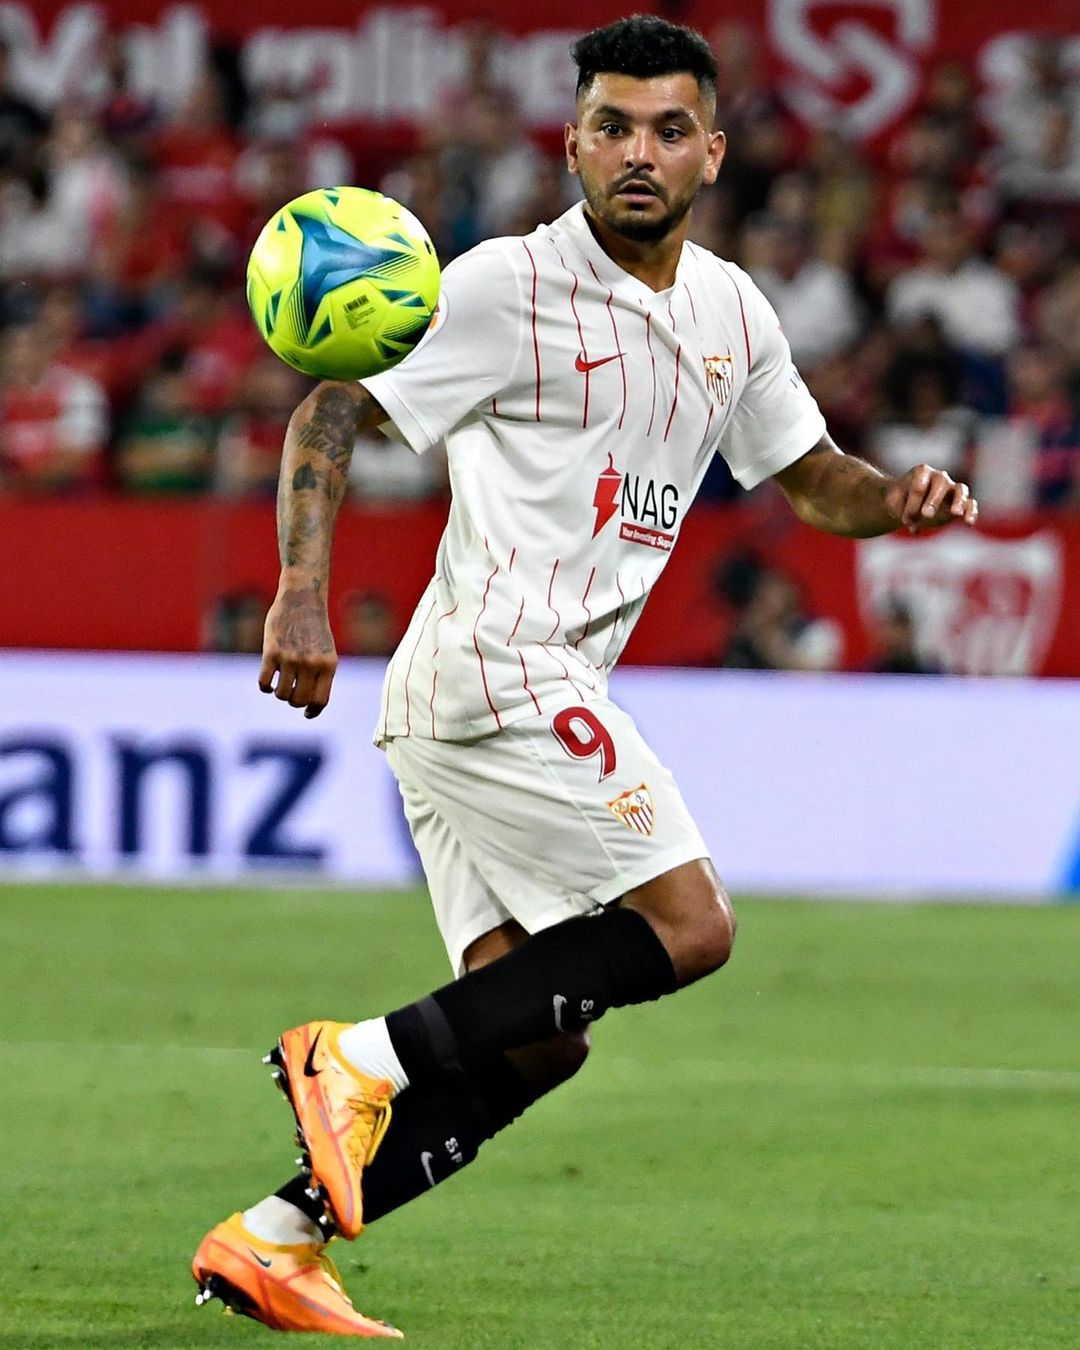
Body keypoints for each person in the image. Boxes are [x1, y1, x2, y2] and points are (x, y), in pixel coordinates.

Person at [192, 17, 978, 1337]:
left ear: (712, 153)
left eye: (669, 129)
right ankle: (354, 1056)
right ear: (572, 143)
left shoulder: (731, 312)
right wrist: (301, 590)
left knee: (539, 1036)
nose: (638, 153)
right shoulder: (504, 286)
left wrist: (893, 498)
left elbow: (812, 476)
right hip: (499, 663)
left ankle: (275, 1237)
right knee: (692, 926)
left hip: (477, 696)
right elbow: (331, 407)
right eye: (612, 126)